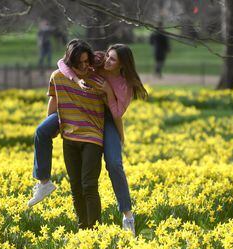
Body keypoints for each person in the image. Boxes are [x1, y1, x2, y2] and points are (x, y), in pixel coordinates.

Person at [28, 41, 148, 235]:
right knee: (42, 131)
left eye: (113, 59)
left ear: (122, 64)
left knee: (114, 164)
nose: (107, 61)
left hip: (106, 117)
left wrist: (108, 92)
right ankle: (44, 182)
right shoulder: (96, 61)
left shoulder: (125, 86)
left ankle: (127, 216)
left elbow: (117, 113)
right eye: (108, 56)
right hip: (76, 109)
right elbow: (62, 63)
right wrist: (76, 81)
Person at [45, 40, 110, 229]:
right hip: (69, 138)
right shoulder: (57, 77)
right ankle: (83, 228)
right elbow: (54, 102)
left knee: (89, 184)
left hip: (92, 137)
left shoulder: (97, 80)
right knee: (75, 187)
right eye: (79, 63)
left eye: (86, 61)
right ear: (70, 62)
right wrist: (51, 126)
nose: (83, 66)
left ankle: (96, 229)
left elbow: (113, 105)